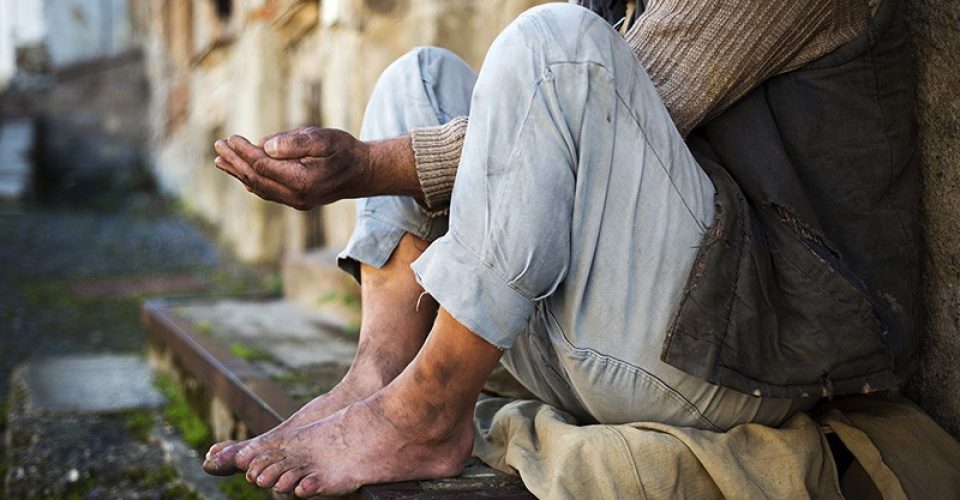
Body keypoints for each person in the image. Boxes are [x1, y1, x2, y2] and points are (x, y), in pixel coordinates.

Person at [202, 0, 919, 496]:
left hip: (738, 364)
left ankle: (429, 410)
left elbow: (600, 85)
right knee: (419, 77)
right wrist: (372, 163)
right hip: (592, 348)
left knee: (554, 44)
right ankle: (379, 376)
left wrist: (364, 166)